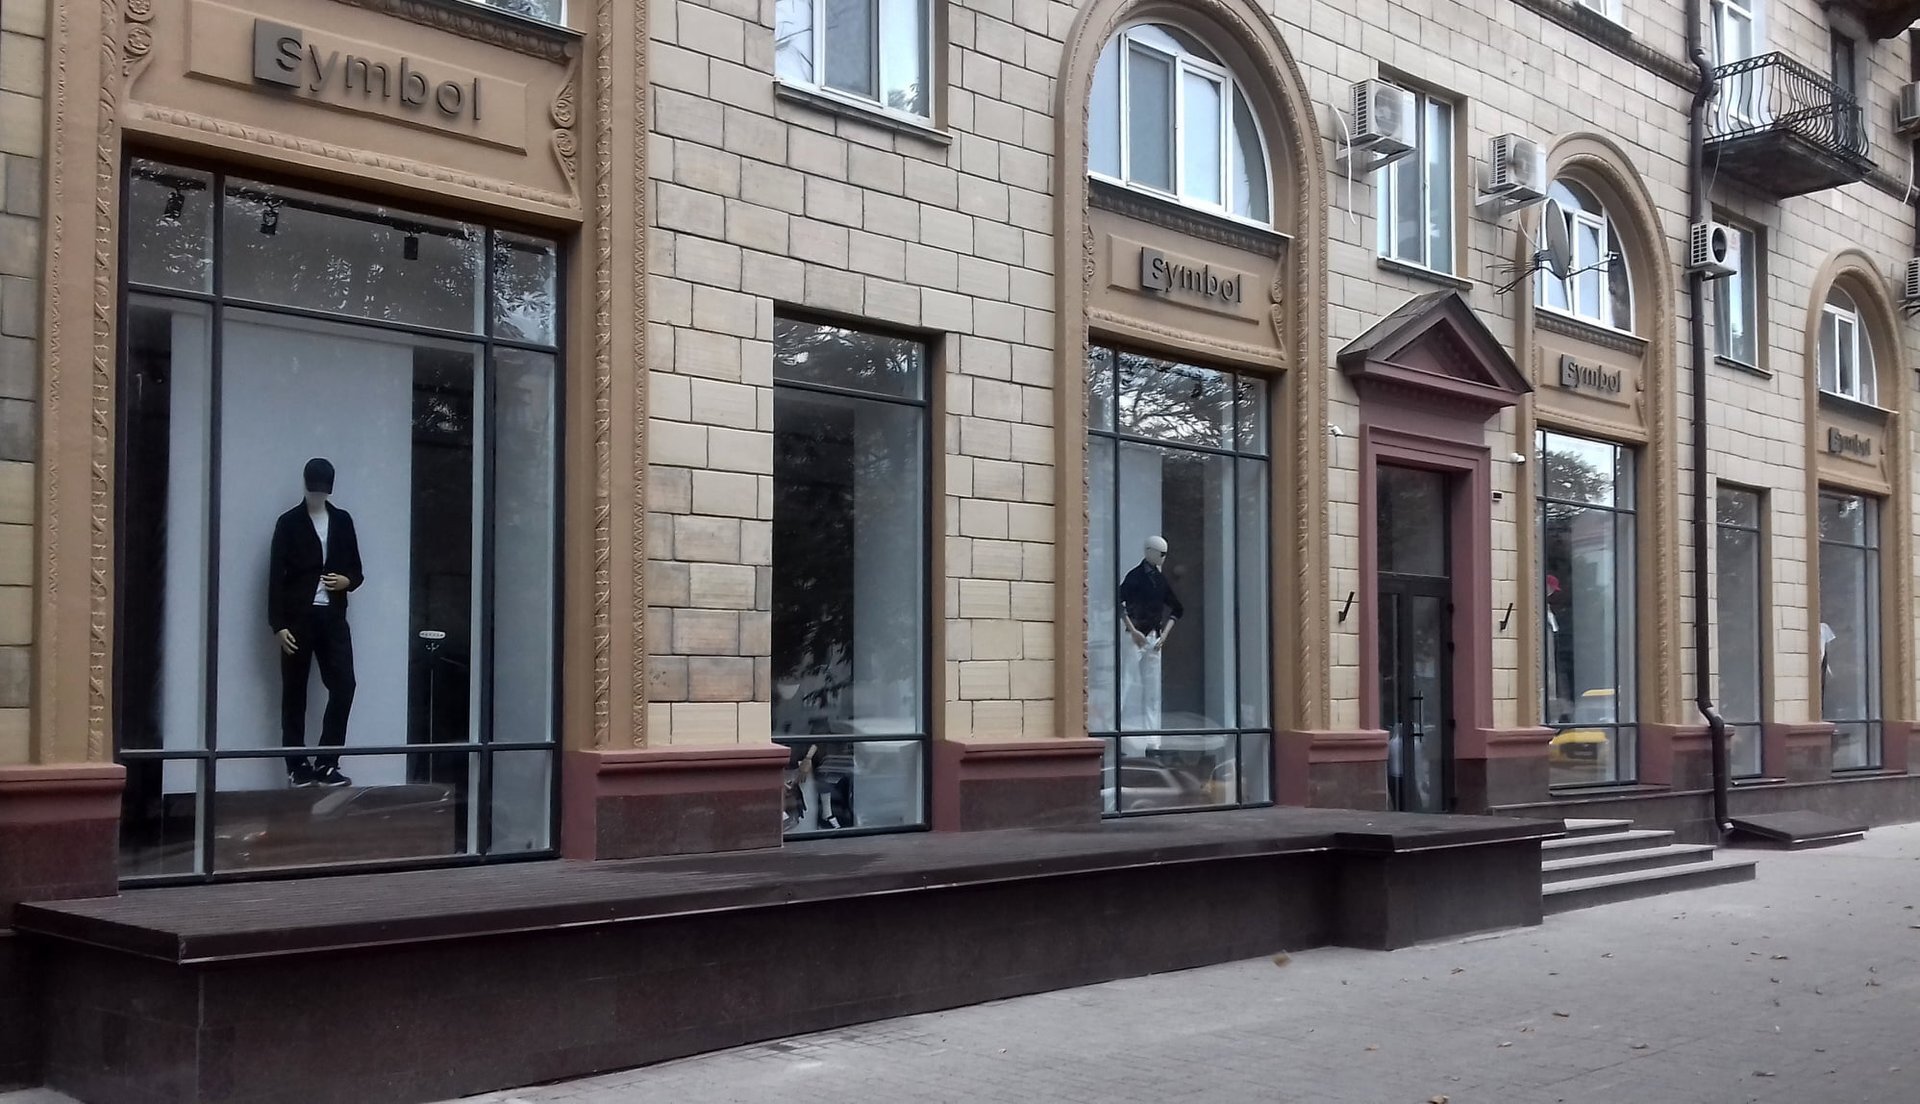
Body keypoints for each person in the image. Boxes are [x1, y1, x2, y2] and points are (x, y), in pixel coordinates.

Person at [269, 458, 364, 788]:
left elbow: (356, 570)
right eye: (313, 489)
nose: (317, 495)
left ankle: (327, 761)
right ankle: (296, 764)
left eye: (322, 490)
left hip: (332, 617)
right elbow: (275, 576)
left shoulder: (342, 521)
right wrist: (278, 623)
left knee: (344, 685)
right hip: (297, 619)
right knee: (294, 691)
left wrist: (346, 581)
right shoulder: (289, 523)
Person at [1118, 535, 1182, 732]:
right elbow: (1117, 601)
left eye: (1165, 554)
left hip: (1154, 638)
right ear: (1150, 552)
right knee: (1125, 684)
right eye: (1161, 554)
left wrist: (1164, 634)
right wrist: (1133, 630)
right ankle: (1115, 731)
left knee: (1153, 692)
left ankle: (1153, 739)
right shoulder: (1134, 577)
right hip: (1135, 637)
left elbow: (1177, 608)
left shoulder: (1160, 580)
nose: (1164, 558)